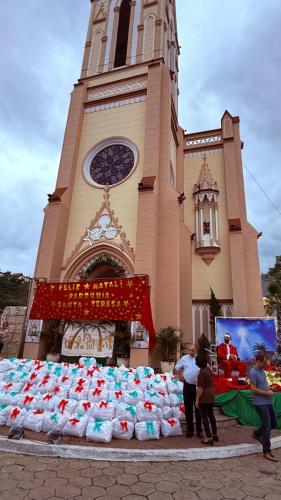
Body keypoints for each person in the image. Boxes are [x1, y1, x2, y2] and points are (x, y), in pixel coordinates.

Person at [249, 352, 277, 462]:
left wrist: (271, 389)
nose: (266, 364)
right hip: (260, 403)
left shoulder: (262, 371)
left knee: (273, 423)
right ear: (259, 361)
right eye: (264, 362)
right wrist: (267, 393)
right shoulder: (253, 372)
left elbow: (263, 385)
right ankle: (266, 451)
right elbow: (253, 389)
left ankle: (256, 434)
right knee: (267, 427)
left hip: (268, 401)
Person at [175, 344, 203, 438]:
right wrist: (180, 375)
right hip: (187, 386)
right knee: (188, 409)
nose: (191, 352)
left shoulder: (199, 359)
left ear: (196, 351)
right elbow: (177, 367)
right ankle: (190, 430)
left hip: (197, 387)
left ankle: (199, 430)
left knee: (198, 408)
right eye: (189, 350)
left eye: (192, 351)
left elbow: (206, 368)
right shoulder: (184, 358)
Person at [195, 355, 218, 445]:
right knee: (211, 415)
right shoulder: (208, 370)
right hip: (211, 394)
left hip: (204, 396)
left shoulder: (202, 373)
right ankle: (215, 433)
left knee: (204, 417)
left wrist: (197, 400)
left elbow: (200, 388)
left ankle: (209, 437)